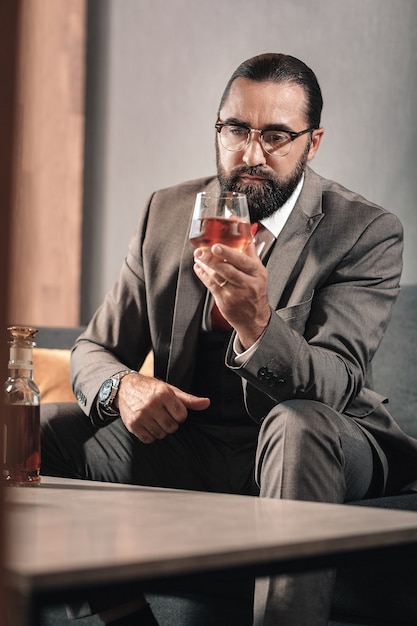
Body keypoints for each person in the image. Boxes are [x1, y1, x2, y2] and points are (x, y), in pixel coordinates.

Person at [41, 52, 417, 626]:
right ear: (219, 127)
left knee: (297, 426)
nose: (251, 154)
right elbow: (94, 350)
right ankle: (121, 618)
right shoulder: (166, 213)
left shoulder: (365, 230)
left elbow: (335, 384)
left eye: (276, 136)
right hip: (197, 440)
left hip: (321, 442)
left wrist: (258, 325)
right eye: (237, 129)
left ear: (312, 143)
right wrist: (124, 389)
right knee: (41, 434)